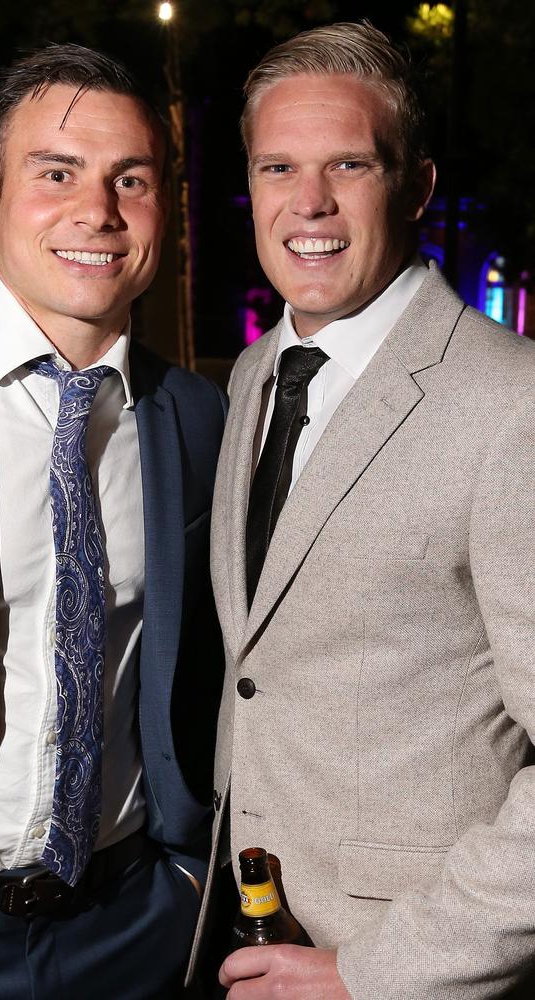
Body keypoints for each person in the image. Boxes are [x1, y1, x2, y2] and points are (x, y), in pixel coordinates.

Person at [200, 21, 535, 1000]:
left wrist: (378, 973)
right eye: (277, 167)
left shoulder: (509, 401)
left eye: (347, 163)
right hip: (246, 937)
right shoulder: (255, 376)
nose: (307, 202)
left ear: (416, 185)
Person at [0, 43, 226, 1000]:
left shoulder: (197, 419)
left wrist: (186, 877)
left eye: (133, 179)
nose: (97, 211)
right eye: (57, 173)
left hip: (129, 931)